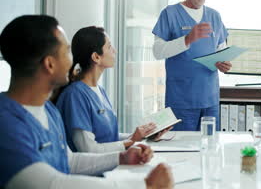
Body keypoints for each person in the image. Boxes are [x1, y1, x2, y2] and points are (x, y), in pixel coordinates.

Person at [0, 15, 173, 189]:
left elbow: (70, 161)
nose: (72, 59)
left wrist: (122, 157)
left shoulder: (47, 110)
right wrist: (143, 185)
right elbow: (51, 183)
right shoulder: (6, 123)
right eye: (66, 51)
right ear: (49, 64)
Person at [55, 26, 168, 153]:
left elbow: (109, 138)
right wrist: (131, 141)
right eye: (109, 47)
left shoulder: (100, 90)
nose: (114, 51)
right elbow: (88, 149)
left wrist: (142, 135)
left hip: (111, 164)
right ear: (96, 57)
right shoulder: (75, 96)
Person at [152, 0, 231, 131]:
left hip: (210, 100)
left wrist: (224, 64)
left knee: (211, 148)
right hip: (181, 100)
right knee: (183, 151)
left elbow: (221, 50)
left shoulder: (214, 16)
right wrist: (187, 39)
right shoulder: (170, 14)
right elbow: (157, 51)